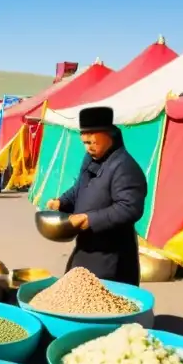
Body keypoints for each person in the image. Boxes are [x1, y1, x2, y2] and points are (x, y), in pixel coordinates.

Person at [45, 106, 147, 284]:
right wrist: (62, 202)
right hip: (87, 247)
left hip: (111, 255)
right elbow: (79, 188)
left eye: (92, 142)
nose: (88, 148)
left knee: (103, 304)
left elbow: (129, 208)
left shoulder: (124, 167)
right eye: (85, 143)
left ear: (109, 134)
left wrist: (89, 219)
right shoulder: (91, 159)